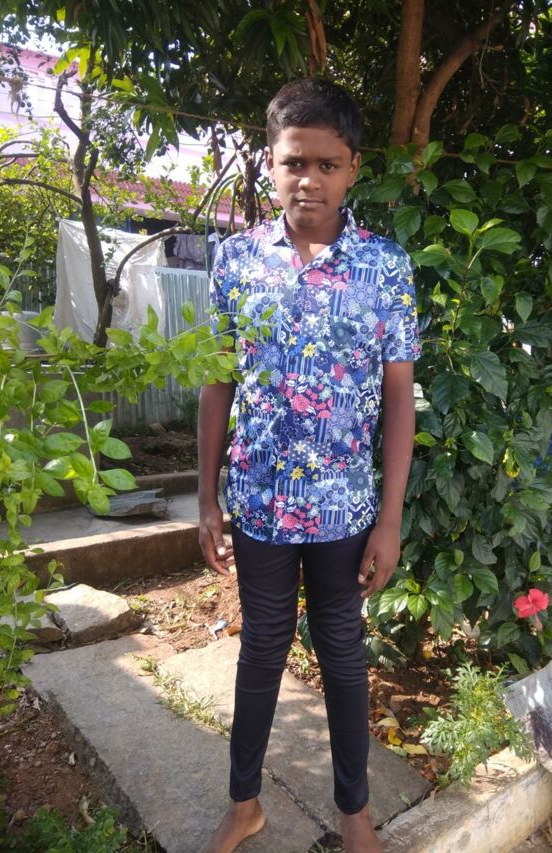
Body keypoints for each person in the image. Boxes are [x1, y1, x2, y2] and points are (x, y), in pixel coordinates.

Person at [197, 78, 420, 853]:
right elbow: (216, 380)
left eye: (327, 164)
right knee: (261, 648)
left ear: (354, 167)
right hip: (258, 502)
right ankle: (244, 803)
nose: (310, 180)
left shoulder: (385, 268)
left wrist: (389, 518)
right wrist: (206, 498)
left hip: (345, 509)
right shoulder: (236, 260)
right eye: (294, 162)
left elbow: (399, 399)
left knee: (342, 652)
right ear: (270, 163)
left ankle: (355, 815)